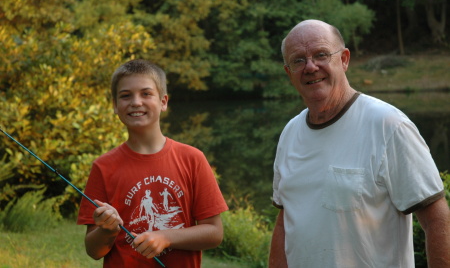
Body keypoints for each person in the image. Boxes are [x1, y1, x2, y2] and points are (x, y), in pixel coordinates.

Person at [269, 19, 450, 267]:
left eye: (321, 54)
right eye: (298, 60)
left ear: (344, 59)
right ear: (289, 73)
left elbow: (437, 219)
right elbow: (285, 221)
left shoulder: (388, 125)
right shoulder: (290, 133)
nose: (310, 67)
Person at [77, 59, 228, 267]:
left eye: (146, 93)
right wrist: (107, 230)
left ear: (163, 101)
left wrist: (166, 237)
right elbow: (94, 251)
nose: (136, 102)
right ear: (115, 105)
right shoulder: (103, 167)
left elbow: (214, 232)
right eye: (125, 95)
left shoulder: (193, 159)